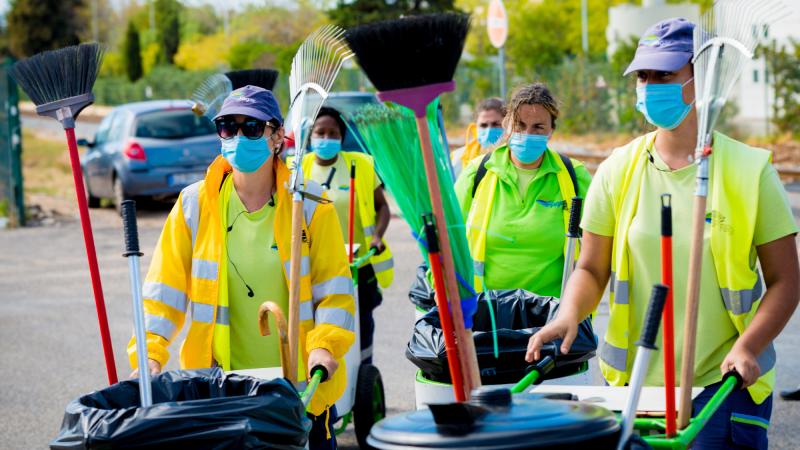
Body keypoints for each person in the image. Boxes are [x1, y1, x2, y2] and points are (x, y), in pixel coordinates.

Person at [526, 18, 799, 450]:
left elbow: (786, 281)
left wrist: (749, 346)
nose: (650, 86)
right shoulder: (618, 169)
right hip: (634, 389)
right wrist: (567, 316)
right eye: (643, 76)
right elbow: (592, 268)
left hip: (723, 386)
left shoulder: (751, 171)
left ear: (701, 76)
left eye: (665, 75)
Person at [128, 86, 355, 449]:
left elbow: (335, 292)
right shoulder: (194, 205)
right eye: (227, 127)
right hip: (222, 388)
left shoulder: (311, 205)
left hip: (298, 389)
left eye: (251, 127)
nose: (238, 137)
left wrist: (325, 346)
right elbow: (164, 291)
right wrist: (150, 354)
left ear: (277, 136)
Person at [455, 83, 591, 297]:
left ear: (551, 131)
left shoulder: (574, 176)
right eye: (519, 125)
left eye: (538, 127)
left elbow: (596, 249)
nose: (527, 133)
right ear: (507, 125)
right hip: (487, 315)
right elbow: (447, 235)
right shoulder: (477, 173)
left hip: (552, 316)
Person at [298, 106, 394, 365]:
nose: (326, 138)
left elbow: (382, 207)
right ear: (311, 136)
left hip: (357, 266)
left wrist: (377, 236)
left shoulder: (359, 165)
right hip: (315, 266)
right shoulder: (297, 169)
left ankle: (361, 371)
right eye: (321, 132)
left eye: (333, 133)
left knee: (359, 323)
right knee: (318, 325)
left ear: (341, 136)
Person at [451, 97, 506, 178]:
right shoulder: (457, 159)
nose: (489, 130)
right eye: (483, 125)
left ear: (508, 125)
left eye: (495, 124)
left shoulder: (516, 159)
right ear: (475, 127)